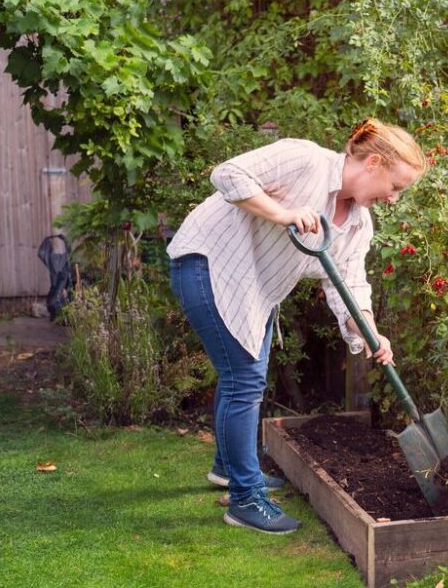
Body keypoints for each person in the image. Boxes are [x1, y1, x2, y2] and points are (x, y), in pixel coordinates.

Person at [167, 118, 425, 534]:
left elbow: (350, 284)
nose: (394, 198)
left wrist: (369, 332)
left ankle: (229, 468)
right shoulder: (304, 159)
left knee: (242, 379)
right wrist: (284, 213)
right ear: (374, 162)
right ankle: (245, 498)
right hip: (209, 263)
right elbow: (227, 174)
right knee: (243, 381)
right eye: (395, 186)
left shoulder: (358, 223)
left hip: (254, 287)